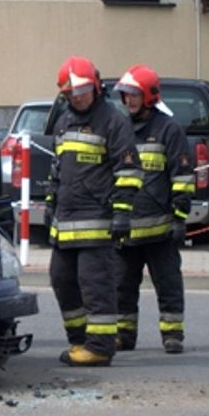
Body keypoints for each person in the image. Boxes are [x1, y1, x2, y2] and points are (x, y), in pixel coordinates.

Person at [47, 56, 140, 367]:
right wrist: (50, 204)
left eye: (84, 90)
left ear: (96, 87)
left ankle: (100, 347)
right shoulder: (62, 123)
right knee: (61, 280)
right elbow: (58, 170)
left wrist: (122, 213)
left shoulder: (114, 121)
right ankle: (79, 341)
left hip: (97, 223)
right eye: (72, 92)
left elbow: (128, 171)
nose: (78, 96)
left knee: (95, 284)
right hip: (65, 222)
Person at [112, 65, 193, 354]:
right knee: (122, 286)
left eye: (134, 94)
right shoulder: (120, 128)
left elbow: (182, 176)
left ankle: (172, 335)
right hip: (128, 228)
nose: (128, 101)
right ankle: (124, 334)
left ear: (149, 96)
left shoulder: (168, 129)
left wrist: (180, 217)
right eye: (125, 95)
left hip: (161, 230)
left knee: (169, 284)